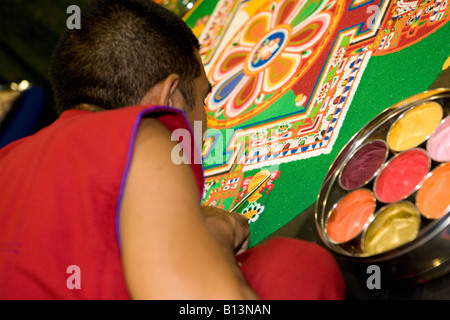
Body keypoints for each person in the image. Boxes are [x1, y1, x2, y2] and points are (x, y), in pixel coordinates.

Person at [0, 0, 345, 299]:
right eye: (204, 98)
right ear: (170, 99)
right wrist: (218, 236)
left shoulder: (10, 158)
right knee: (297, 266)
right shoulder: (145, 138)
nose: (207, 125)